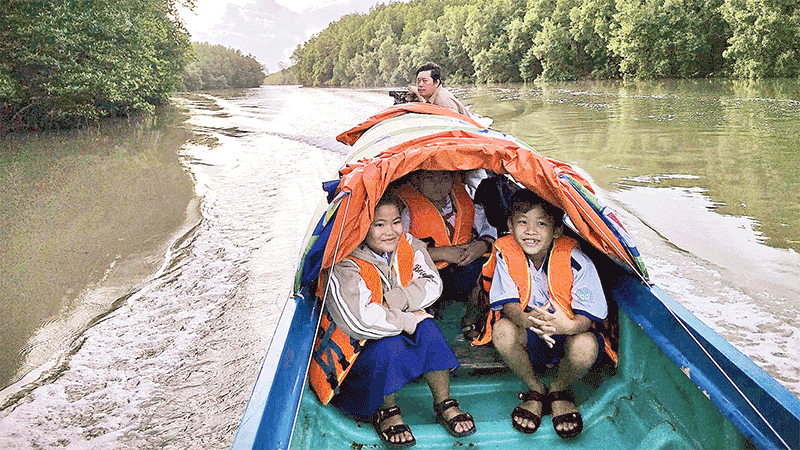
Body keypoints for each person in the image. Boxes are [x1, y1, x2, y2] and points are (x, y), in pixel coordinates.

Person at [308, 194, 476, 448]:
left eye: (396, 222)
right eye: (379, 224)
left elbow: (432, 284)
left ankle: (444, 402)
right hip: (355, 353)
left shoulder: (407, 244)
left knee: (428, 328)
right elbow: (359, 321)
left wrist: (394, 300)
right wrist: (408, 319)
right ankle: (387, 410)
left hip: (390, 321)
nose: (390, 231)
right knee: (393, 343)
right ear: (361, 226)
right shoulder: (344, 263)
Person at [480, 189, 613, 439]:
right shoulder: (505, 255)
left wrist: (565, 326)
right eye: (523, 222)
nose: (531, 231)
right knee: (502, 330)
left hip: (567, 336)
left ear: (556, 230)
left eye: (541, 224)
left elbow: (589, 318)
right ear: (510, 225)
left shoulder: (577, 259)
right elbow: (509, 308)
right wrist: (532, 321)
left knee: (586, 346)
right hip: (530, 334)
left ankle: (559, 390)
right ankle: (535, 389)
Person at [393, 170, 496, 330]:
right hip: (427, 273)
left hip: (463, 266)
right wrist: (443, 253)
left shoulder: (466, 202)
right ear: (415, 179)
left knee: (486, 269)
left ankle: (477, 317)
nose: (438, 183)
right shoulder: (406, 211)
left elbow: (489, 229)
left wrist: (482, 245)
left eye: (444, 177)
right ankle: (428, 319)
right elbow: (398, 249)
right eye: (430, 177)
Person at [407, 62, 472, 118]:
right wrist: (416, 92)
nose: (420, 84)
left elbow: (455, 127)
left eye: (425, 81)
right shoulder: (432, 94)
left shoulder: (443, 102)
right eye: (418, 81)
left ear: (436, 82)